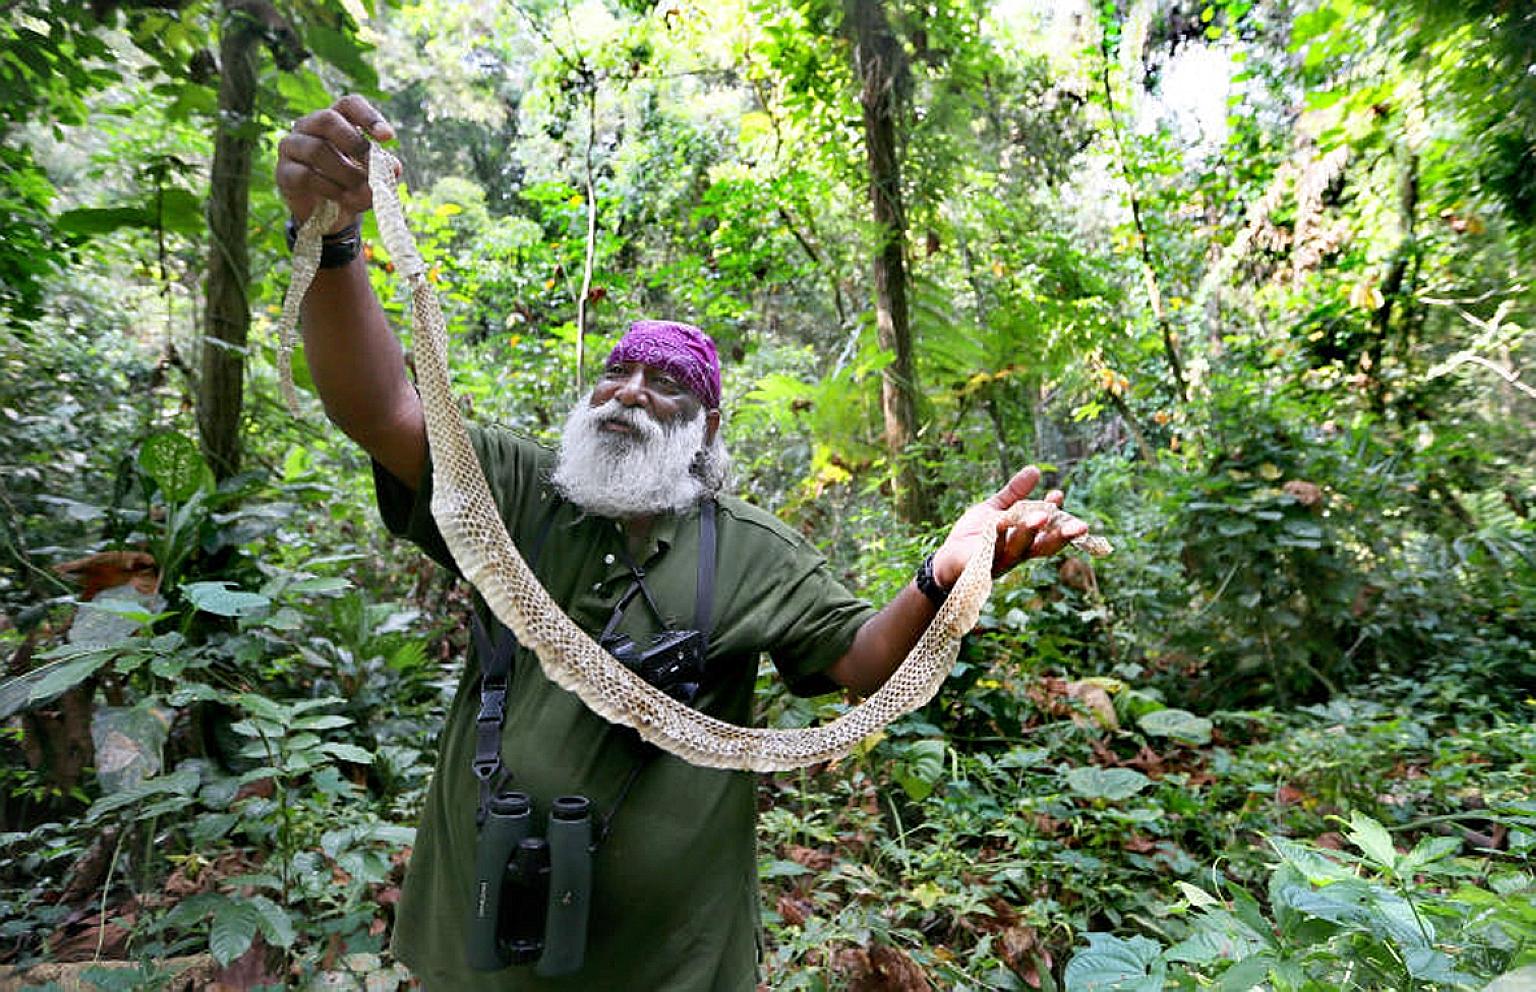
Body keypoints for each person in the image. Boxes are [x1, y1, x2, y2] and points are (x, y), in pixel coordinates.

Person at [276, 95, 1090, 991]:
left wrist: (949, 570)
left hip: (674, 966)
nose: (628, 392)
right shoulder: (512, 492)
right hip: (483, 950)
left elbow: (860, 664)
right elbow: (380, 408)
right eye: (616, 372)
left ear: (705, 428)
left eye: (664, 384)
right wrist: (336, 237)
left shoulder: (751, 549)